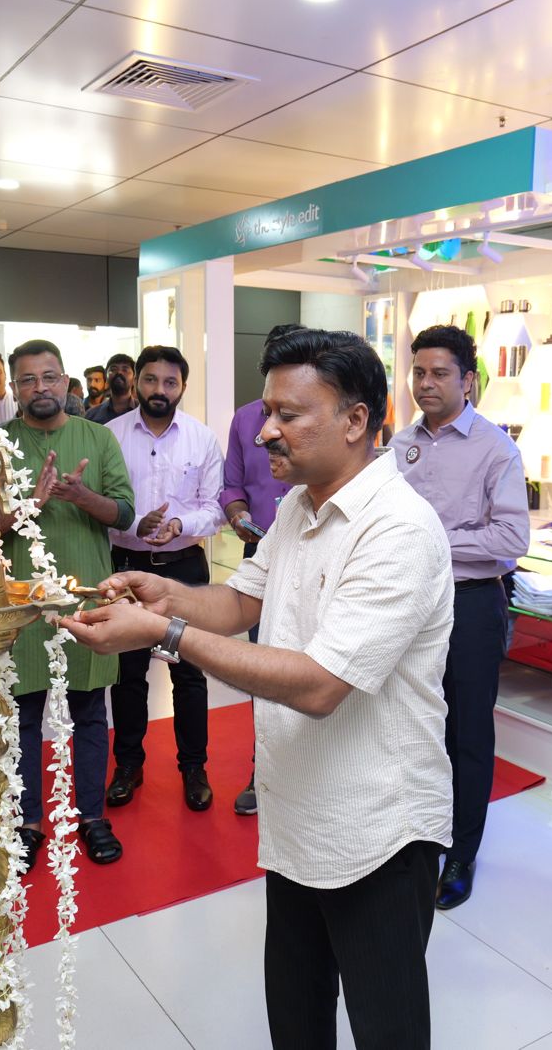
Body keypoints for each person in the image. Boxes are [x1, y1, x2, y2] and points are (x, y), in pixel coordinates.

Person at [60, 328, 453, 1050]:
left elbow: (321, 684)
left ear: (355, 420)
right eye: (268, 410)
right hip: (298, 814)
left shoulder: (399, 528)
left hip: (378, 828)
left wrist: (162, 634)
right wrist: (167, 598)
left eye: (288, 414)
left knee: (388, 1028)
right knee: (297, 1019)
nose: (265, 430)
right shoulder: (300, 505)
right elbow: (243, 601)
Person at [390, 324, 529, 910]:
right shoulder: (400, 444)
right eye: (419, 372)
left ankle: (461, 855)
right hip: (407, 601)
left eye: (440, 373)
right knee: (412, 723)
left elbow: (512, 538)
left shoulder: (496, 448)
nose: (426, 383)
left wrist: (432, 540)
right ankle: (419, 835)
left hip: (469, 603)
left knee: (468, 734)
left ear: (468, 380)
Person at [1, 340, 135, 864]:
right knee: (24, 715)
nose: (40, 387)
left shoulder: (98, 438)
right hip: (21, 603)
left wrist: (81, 496)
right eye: (28, 379)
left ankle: (92, 817)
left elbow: (124, 513)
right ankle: (29, 821)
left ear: (65, 381)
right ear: (14, 388)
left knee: (90, 711)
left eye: (49, 376)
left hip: (85, 597)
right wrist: (29, 506)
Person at [104, 345, 225, 812]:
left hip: (183, 568)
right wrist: (137, 526)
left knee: (188, 673)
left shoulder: (201, 438)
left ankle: (194, 768)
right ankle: (128, 766)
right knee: (128, 675)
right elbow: (103, 509)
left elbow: (214, 509)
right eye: (151, 380)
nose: (160, 390)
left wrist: (179, 524)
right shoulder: (111, 436)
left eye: (170, 382)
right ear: (137, 381)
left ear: (182, 387)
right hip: (127, 568)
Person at [221, 323, 304, 816]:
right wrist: (237, 516)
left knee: (311, 666)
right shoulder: (245, 419)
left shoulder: (317, 417)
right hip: (261, 554)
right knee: (263, 668)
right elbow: (231, 485)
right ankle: (263, 773)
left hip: (313, 552)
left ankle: (307, 773)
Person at [84, 352, 138, 425]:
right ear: (106, 378)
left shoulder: (143, 412)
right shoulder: (91, 416)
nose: (119, 372)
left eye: (125, 370)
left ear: (134, 378)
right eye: (113, 369)